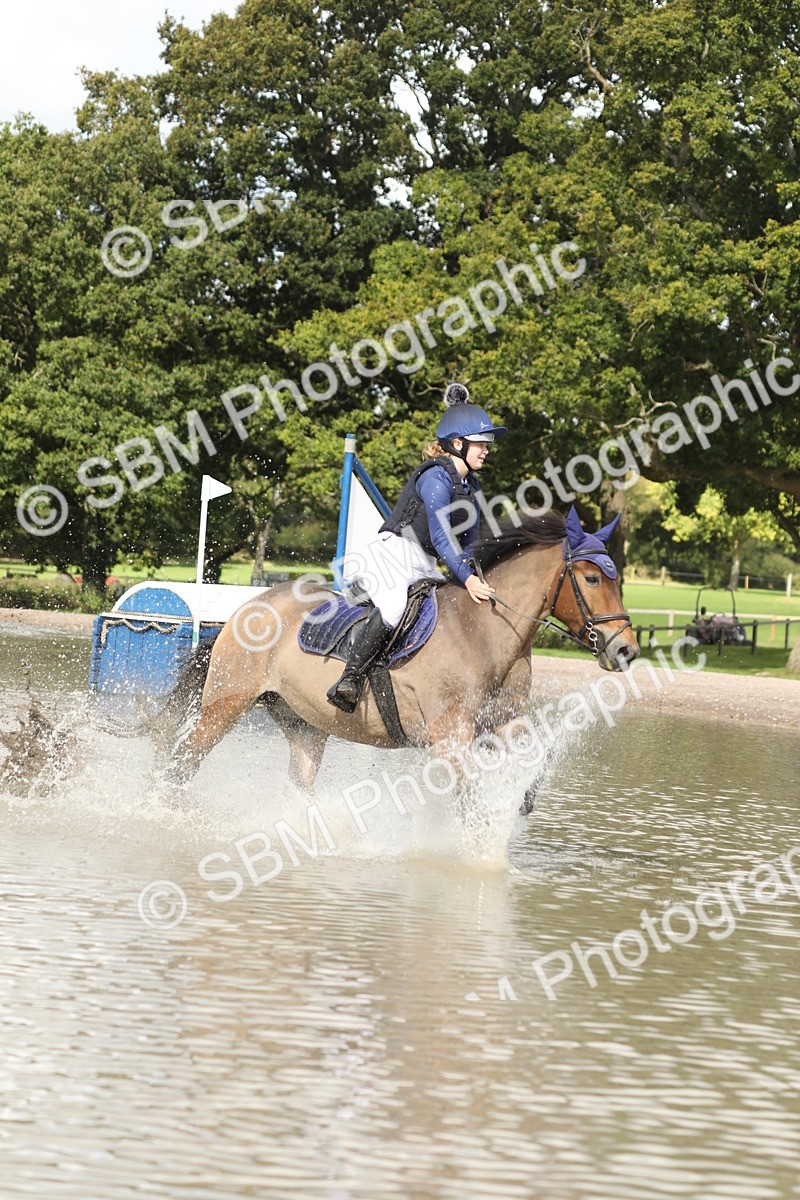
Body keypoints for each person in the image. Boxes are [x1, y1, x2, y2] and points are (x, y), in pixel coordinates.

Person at [326, 382, 507, 712]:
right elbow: (441, 537)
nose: (486, 450)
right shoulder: (435, 478)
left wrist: (475, 574)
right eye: (481, 443)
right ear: (458, 443)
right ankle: (348, 680)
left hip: (425, 564)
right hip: (394, 556)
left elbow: (470, 540)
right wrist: (466, 579)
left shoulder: (471, 485)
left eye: (487, 444)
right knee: (395, 609)